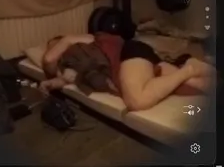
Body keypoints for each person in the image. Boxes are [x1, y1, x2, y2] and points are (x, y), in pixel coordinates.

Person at [40, 33, 216, 112]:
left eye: (52, 46)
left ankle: (189, 68)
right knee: (197, 86)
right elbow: (70, 78)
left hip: (129, 53)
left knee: (136, 100)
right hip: (137, 61)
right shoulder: (71, 65)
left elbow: (48, 60)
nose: (51, 50)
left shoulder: (73, 40)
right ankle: (196, 67)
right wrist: (52, 83)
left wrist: (59, 45)